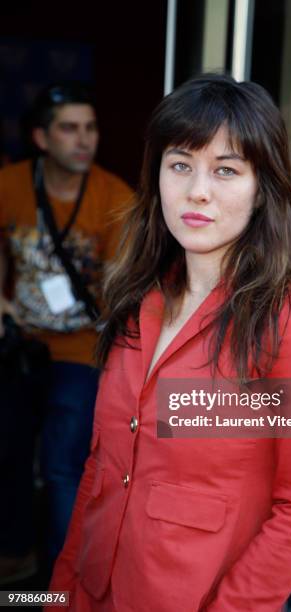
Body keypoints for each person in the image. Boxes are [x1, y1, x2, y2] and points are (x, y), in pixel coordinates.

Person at [49, 73, 291, 611]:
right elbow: (101, 472)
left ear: (263, 187)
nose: (197, 190)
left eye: (226, 171)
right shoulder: (138, 300)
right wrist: (55, 596)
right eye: (180, 165)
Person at [0, 83, 133, 577]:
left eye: (91, 128)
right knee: (10, 456)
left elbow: (125, 284)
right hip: (20, 345)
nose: (84, 140)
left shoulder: (114, 195)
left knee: (61, 466)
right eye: (70, 128)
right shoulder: (10, 184)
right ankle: (15, 559)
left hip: (83, 350)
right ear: (41, 137)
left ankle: (62, 580)